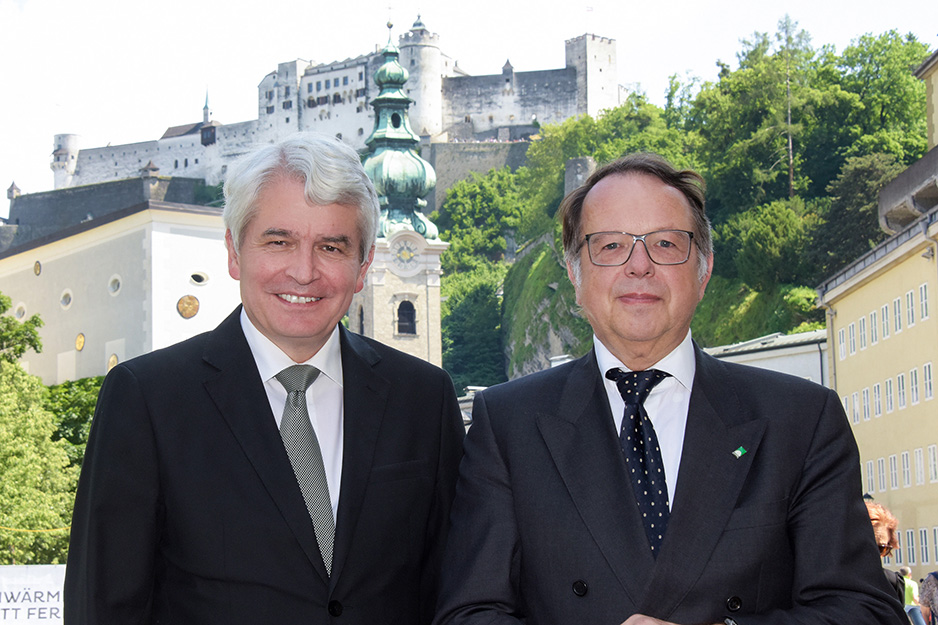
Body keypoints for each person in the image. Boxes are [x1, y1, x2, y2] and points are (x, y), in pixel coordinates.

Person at [433, 153, 907, 625]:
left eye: (664, 243)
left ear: (703, 270)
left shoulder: (801, 420)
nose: (639, 266)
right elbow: (468, 614)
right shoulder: (507, 424)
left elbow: (861, 611)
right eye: (611, 246)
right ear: (575, 274)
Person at [65, 133, 465, 624]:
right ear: (234, 252)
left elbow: (453, 592)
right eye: (279, 242)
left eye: (332, 247)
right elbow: (102, 607)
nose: (303, 272)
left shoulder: (423, 399)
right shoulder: (148, 400)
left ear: (363, 266)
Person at [865, 500, 904, 604]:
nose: (873, 554)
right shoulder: (826, 582)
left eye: (881, 548)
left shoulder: (892, 582)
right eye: (866, 547)